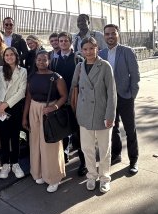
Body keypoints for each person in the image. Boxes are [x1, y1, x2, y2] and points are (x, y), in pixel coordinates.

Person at [71, 37, 117, 193]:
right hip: (84, 114)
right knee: (87, 148)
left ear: (97, 48)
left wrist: (110, 115)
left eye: (91, 48)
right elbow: (74, 89)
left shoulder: (105, 66)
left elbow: (111, 93)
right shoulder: (79, 66)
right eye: (85, 49)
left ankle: (104, 177)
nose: (88, 52)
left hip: (102, 113)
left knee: (104, 149)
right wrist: (75, 111)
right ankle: (91, 175)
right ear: (81, 51)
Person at [22, 50, 67, 193]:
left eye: (44, 59)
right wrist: (24, 116)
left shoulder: (56, 77)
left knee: (50, 144)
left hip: (49, 111)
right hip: (34, 110)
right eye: (39, 59)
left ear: (49, 61)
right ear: (35, 61)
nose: (42, 62)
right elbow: (28, 97)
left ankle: (54, 177)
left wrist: (54, 107)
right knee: (35, 142)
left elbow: (64, 96)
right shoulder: (32, 77)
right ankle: (38, 172)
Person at [99, 24, 140, 174]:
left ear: (118, 34)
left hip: (125, 97)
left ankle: (133, 160)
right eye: (107, 34)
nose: (110, 36)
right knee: (113, 128)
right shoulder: (101, 53)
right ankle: (116, 155)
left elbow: (135, 76)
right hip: (108, 99)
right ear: (104, 36)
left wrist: (131, 95)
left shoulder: (127, 51)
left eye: (113, 33)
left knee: (130, 129)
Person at [52, 31, 86, 174]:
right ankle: (63, 157)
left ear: (71, 42)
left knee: (79, 132)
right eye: (61, 41)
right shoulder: (54, 60)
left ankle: (83, 162)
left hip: (76, 100)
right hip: (61, 101)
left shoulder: (77, 59)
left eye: (66, 41)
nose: (63, 43)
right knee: (63, 130)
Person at [0, 47, 27, 179]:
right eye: (7, 55)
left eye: (12, 55)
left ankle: (15, 163)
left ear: (16, 56)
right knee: (4, 138)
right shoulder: (0, 70)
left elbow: (21, 91)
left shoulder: (22, 71)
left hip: (14, 108)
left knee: (15, 137)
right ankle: (5, 164)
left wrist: (6, 104)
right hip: (0, 108)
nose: (9, 57)